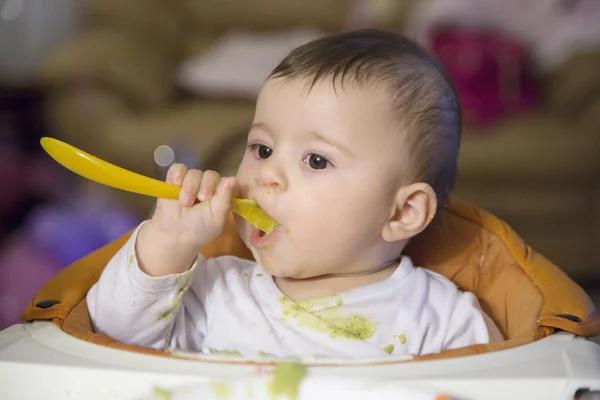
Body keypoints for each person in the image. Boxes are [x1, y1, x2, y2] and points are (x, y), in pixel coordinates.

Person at [87, 29, 502, 358]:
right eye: (262, 149)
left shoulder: (441, 320)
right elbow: (111, 334)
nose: (267, 173)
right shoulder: (214, 291)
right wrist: (168, 240)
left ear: (402, 213)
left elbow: (516, 382)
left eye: (316, 160)